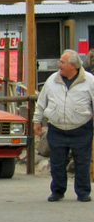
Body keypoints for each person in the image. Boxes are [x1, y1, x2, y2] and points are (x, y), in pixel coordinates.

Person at [33, 50, 94, 202]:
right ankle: (58, 191)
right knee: (57, 163)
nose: (58, 65)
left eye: (62, 62)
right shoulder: (52, 80)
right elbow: (41, 101)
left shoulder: (89, 81)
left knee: (82, 162)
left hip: (81, 129)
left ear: (73, 66)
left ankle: (83, 192)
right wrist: (37, 120)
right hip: (57, 128)